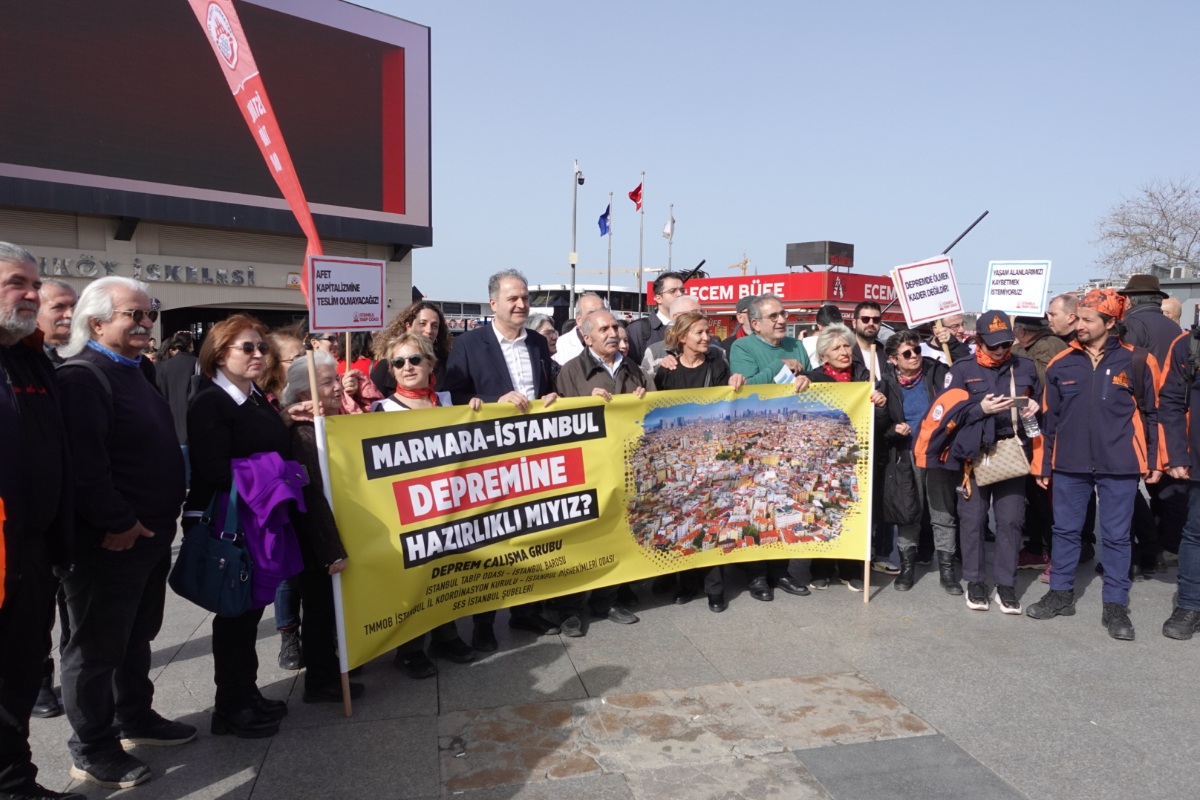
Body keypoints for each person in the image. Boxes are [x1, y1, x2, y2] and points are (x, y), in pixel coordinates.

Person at [55, 277, 192, 789]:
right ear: (96, 323)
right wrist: (118, 522)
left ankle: (135, 716)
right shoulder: (83, 377)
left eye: (149, 314)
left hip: (151, 537)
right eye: (132, 315)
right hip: (113, 542)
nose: (145, 324)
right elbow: (86, 468)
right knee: (94, 650)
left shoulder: (139, 370)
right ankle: (92, 746)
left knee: (137, 636)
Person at [1027, 290, 1161, 640]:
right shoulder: (1060, 364)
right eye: (1078, 318)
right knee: (1065, 531)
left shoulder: (1138, 361)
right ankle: (1060, 593)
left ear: (1110, 322)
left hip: (1120, 464)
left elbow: (1154, 415)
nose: (1079, 324)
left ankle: (1115, 604)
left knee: (1117, 537)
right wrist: (1043, 465)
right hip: (1068, 464)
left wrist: (1155, 460)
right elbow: (1048, 420)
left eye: (1088, 319)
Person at [183, 314, 293, 738]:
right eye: (246, 348)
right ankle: (230, 707)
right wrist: (278, 475)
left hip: (259, 516)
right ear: (219, 353)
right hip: (233, 519)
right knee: (234, 613)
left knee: (249, 613)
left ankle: (246, 693)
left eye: (261, 348)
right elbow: (214, 469)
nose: (257, 355)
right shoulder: (211, 399)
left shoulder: (254, 397)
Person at [0, 244, 82, 800]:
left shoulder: (30, 358)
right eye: (16, 283)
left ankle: (16, 783)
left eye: (35, 283)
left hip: (31, 553)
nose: (32, 294)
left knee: (21, 675)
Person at [442, 269, 561, 649]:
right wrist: (493, 405)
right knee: (491, 540)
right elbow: (452, 398)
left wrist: (553, 397)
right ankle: (483, 622)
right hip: (488, 460)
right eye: (512, 298)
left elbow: (549, 388)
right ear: (493, 303)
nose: (521, 304)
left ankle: (526, 613)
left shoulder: (539, 345)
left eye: (524, 297)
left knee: (530, 533)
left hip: (533, 458)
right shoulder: (469, 344)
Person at [371, 333, 481, 676]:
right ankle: (410, 647)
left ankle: (446, 635)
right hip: (407, 511)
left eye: (415, 360)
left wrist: (483, 409)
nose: (407, 368)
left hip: (448, 507)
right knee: (413, 581)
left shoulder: (449, 402)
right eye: (398, 362)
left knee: (447, 573)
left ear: (431, 364)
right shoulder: (382, 410)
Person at [940, 311, 1041, 615]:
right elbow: (947, 415)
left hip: (1012, 450)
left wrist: (1035, 407)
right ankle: (975, 580)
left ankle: (1006, 584)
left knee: (1011, 520)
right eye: (994, 345)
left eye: (1006, 344)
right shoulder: (961, 370)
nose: (1000, 351)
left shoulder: (1025, 367)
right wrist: (978, 408)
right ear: (979, 340)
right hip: (974, 453)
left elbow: (1042, 408)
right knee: (973, 519)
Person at [278, 352, 365, 703]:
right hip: (317, 541)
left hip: (334, 534)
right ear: (303, 395)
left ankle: (334, 665)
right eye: (327, 382)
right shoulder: (303, 435)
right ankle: (322, 679)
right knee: (318, 608)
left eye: (334, 379)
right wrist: (332, 550)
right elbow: (313, 495)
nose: (336, 387)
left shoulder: (332, 424)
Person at [553, 310, 647, 634]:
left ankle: (605, 600)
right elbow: (558, 420)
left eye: (615, 326)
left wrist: (642, 398)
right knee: (581, 540)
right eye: (604, 328)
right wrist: (582, 401)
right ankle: (570, 609)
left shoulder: (632, 367)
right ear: (587, 337)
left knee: (615, 535)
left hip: (624, 467)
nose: (612, 332)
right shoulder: (571, 371)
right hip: (586, 470)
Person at [654, 311, 746, 612]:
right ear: (682, 338)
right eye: (700, 333)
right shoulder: (666, 370)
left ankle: (715, 589)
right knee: (684, 520)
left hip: (710, 455)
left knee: (711, 519)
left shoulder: (717, 365)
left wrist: (734, 380)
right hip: (679, 457)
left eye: (708, 332)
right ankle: (686, 583)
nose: (707, 337)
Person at [728, 294, 812, 600]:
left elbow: (813, 377)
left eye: (783, 313)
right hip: (755, 439)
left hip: (790, 438)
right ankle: (756, 575)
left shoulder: (797, 345)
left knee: (782, 504)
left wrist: (807, 380)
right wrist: (782, 367)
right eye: (773, 316)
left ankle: (781, 570)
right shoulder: (742, 347)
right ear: (755, 323)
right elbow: (748, 386)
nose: (781, 320)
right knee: (755, 506)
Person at [804, 324, 887, 592]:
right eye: (836, 348)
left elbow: (883, 421)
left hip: (858, 456)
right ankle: (821, 568)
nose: (844, 352)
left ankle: (852, 568)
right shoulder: (813, 379)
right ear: (824, 356)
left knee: (852, 510)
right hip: (823, 458)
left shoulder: (867, 375)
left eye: (846, 346)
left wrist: (881, 402)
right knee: (825, 510)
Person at [879, 330, 961, 594]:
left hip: (936, 453)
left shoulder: (936, 372)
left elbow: (959, 379)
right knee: (908, 512)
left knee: (942, 512)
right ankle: (906, 568)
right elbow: (881, 427)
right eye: (907, 353)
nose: (914, 356)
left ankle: (947, 571)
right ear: (893, 359)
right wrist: (893, 430)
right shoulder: (885, 384)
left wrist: (951, 342)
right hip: (905, 456)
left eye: (916, 350)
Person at [30, 279, 77, 720]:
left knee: (72, 606)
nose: (68, 314)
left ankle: (66, 676)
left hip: (71, 511)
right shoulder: (26, 362)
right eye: (58, 306)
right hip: (32, 516)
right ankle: (39, 680)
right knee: (38, 609)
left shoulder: (69, 362)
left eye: (73, 306)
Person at [1119, 274, 1188, 575]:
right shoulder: (1174, 328)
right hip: (1174, 412)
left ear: (1131, 300)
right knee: (1169, 487)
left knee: (1127, 486)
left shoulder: (1133, 326)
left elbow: (1126, 368)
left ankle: (1145, 548)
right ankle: (1167, 544)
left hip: (1143, 413)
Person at [1010, 316, 1069, 578]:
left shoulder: (1050, 345)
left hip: (1046, 431)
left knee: (1047, 498)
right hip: (1030, 430)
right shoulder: (1033, 346)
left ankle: (1056, 554)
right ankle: (1036, 548)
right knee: (1034, 496)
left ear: (1021, 331)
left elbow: (1042, 380)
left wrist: (1016, 354)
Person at [1158, 321, 1200, 639]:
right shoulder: (1188, 344)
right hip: (1197, 461)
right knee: (1196, 534)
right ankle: (1190, 605)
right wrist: (1176, 454)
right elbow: (1170, 401)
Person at [370, 301, 452, 394]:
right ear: (408, 326)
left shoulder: (448, 365)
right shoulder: (385, 367)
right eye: (422, 323)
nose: (429, 330)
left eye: (434, 326)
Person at [625, 272, 685, 366]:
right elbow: (631, 368)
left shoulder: (688, 326)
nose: (679, 294)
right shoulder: (638, 329)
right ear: (658, 298)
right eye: (673, 291)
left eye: (682, 290)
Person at [641, 294, 704, 379]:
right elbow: (644, 385)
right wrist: (661, 369)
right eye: (694, 313)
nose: (701, 317)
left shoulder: (716, 353)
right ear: (676, 317)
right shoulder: (654, 352)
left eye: (702, 312)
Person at [552, 292, 606, 366]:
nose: (599, 317)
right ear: (579, 320)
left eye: (602, 312)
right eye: (592, 313)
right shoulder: (560, 346)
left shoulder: (613, 344)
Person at [35, 278, 75, 365]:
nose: (70, 315)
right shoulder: (22, 359)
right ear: (34, 313)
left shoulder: (91, 355)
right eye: (59, 307)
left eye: (74, 307)